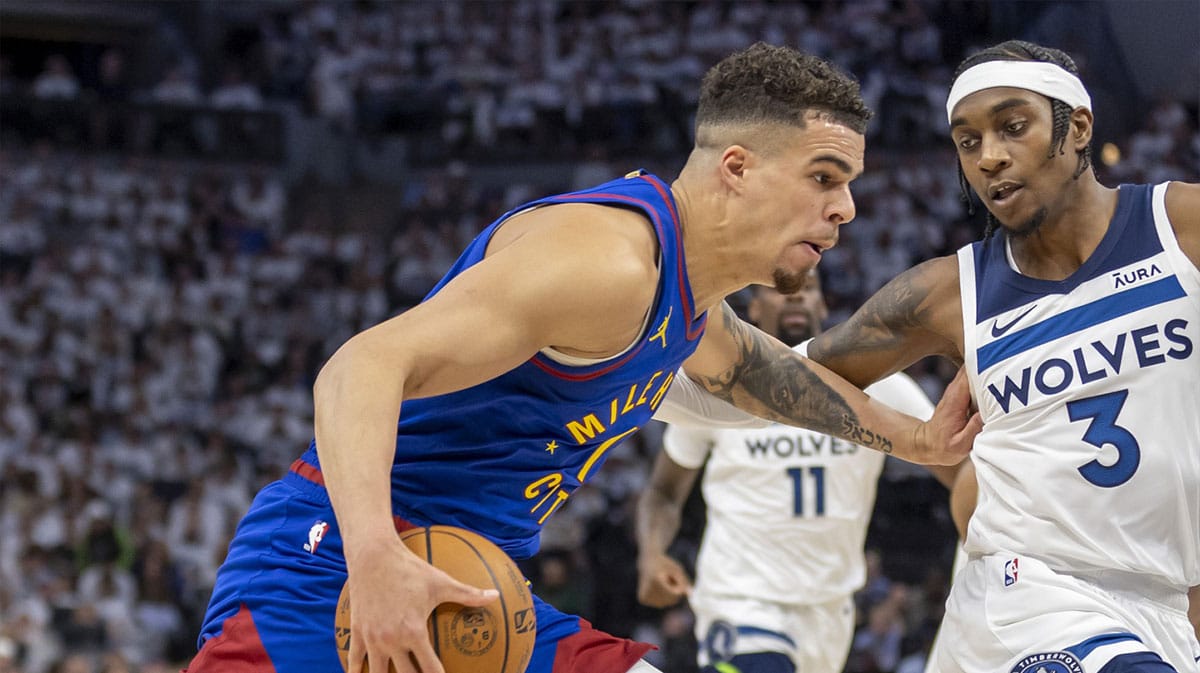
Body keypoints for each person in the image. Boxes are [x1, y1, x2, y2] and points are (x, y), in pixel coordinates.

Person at [185, 43, 979, 673]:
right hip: (338, 565)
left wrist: (918, 441)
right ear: (737, 168)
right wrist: (377, 560)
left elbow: (762, 377)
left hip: (475, 586)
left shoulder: (686, 298)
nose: (844, 208)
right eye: (824, 177)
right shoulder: (608, 263)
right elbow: (359, 366)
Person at [783, 40, 1200, 672]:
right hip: (1026, 595)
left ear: (1078, 127)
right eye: (968, 141)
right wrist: (652, 354)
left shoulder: (1181, 228)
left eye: (1013, 127)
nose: (991, 157)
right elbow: (775, 376)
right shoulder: (949, 293)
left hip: (1159, 609)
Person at [635, 274, 942, 673]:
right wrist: (652, 553)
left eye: (810, 287)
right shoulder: (721, 385)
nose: (796, 294)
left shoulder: (881, 387)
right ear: (755, 309)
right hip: (741, 601)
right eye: (780, 289)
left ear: (823, 305)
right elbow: (664, 491)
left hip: (831, 611)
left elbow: (957, 464)